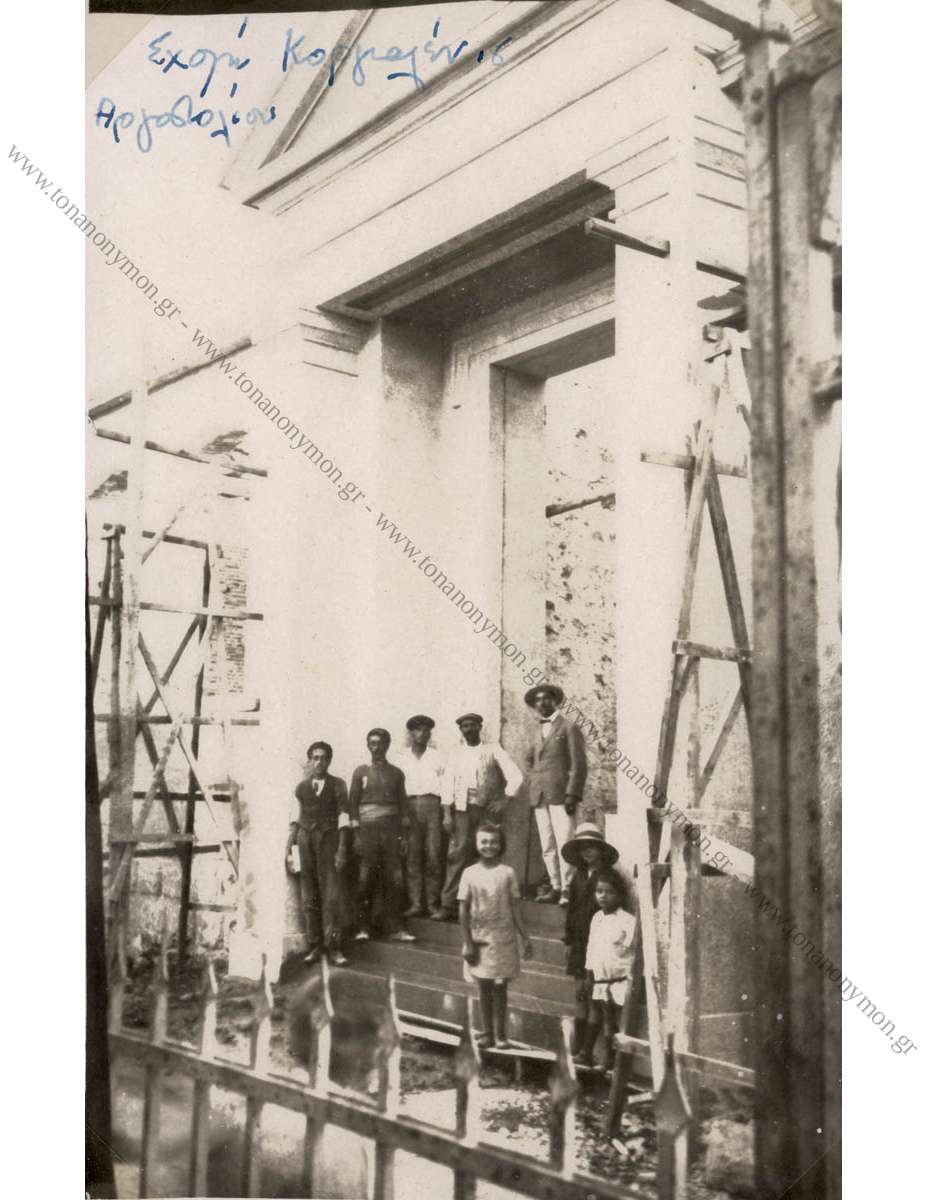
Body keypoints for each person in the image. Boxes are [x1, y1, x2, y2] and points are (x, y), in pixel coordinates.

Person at [434, 713, 523, 922]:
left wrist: (505, 799)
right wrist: (446, 814)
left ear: (480, 727)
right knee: (458, 855)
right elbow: (447, 783)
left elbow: (516, 776)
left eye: (473, 725)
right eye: (465, 726)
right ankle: (448, 905)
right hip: (462, 810)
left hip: (486, 810)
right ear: (461, 730)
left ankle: (489, 906)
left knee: (489, 852)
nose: (469, 729)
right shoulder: (455, 753)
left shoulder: (493, 749)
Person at [459, 824, 533, 1049]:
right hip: (479, 937)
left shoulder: (507, 873)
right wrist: (467, 942)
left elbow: (515, 906)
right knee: (483, 986)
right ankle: (487, 1032)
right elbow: (463, 909)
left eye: (493, 842)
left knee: (500, 987)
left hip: (503, 938)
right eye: (484, 841)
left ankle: (501, 1035)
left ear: (501, 845)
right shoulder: (469, 873)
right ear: (476, 844)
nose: (489, 846)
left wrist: (525, 937)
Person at [561, 823, 625, 1055]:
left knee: (595, 997)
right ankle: (577, 1049)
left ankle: (588, 1052)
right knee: (580, 994)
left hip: (599, 944)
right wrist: (569, 941)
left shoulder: (608, 877)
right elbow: (571, 910)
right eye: (582, 848)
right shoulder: (578, 876)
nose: (587, 852)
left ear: (601, 850)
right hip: (580, 944)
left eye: (592, 846)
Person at [285, 741, 350, 966]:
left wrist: (342, 850)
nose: (319, 762)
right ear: (309, 761)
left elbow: (344, 818)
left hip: (329, 840)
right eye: (315, 758)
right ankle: (315, 946)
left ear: (329, 760)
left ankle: (334, 947)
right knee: (308, 895)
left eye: (323, 758)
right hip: (305, 841)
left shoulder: (338, 785)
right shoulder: (301, 788)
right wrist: (289, 851)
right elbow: (295, 821)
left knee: (331, 896)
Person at [348, 728, 416, 943]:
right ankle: (362, 927)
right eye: (372, 743)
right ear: (368, 746)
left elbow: (403, 806)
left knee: (395, 880)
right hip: (367, 832)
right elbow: (352, 805)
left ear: (387, 745)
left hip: (391, 832)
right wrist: (356, 836)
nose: (376, 748)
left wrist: (403, 837)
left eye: (380, 743)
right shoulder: (360, 772)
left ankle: (395, 928)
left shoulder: (397, 773)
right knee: (364, 879)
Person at [523, 683, 587, 904]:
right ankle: (555, 886)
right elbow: (528, 759)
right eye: (537, 700)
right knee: (547, 844)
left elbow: (579, 764)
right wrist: (534, 780)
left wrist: (573, 794)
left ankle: (568, 889)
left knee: (565, 842)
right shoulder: (535, 730)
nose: (542, 703)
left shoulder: (569, 727)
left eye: (546, 698)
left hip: (561, 795)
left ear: (555, 701)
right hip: (539, 795)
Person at [574, 867, 636, 1068]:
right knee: (596, 1012)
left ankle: (611, 1059)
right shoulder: (597, 918)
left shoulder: (628, 921)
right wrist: (588, 974)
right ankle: (586, 1052)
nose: (603, 896)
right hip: (599, 978)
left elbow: (633, 952)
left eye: (609, 892)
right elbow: (591, 948)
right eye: (599, 891)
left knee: (611, 1018)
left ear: (620, 895)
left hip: (619, 980)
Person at [394, 715, 445, 919]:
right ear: (411, 733)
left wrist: (445, 813)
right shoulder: (401, 758)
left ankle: (432, 904)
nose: (422, 733)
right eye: (418, 729)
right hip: (410, 806)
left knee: (433, 855)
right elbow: (397, 789)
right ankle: (415, 903)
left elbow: (446, 785)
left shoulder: (438, 756)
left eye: (426, 730)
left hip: (433, 805)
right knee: (412, 857)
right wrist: (403, 814)